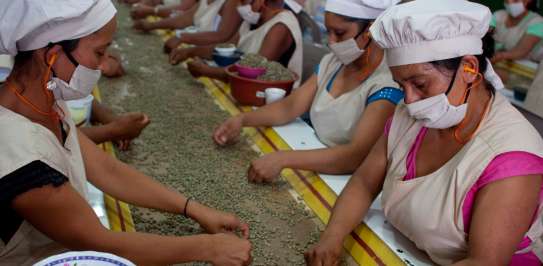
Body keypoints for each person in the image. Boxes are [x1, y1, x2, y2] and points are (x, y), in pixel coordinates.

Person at [0, 1, 251, 265]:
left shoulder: (45, 98)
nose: (104, 64)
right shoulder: (17, 150)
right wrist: (208, 248)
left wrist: (194, 209)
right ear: (51, 55)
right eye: (99, 53)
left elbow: (107, 170)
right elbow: (97, 242)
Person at [305, 0, 543, 265]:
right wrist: (332, 237)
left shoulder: (512, 155)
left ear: (469, 68)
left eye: (420, 84)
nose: (409, 100)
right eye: (401, 85)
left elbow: (484, 261)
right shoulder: (411, 115)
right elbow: (363, 182)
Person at [213, 0, 402, 183]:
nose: (331, 41)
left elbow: (354, 156)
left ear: (369, 31)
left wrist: (284, 159)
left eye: (339, 33)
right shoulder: (333, 62)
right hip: (313, 158)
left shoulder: (387, 84)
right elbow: (290, 106)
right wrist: (243, 120)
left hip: (343, 180)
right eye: (328, 32)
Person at [171, 0, 304, 86]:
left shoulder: (280, 27)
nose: (239, 6)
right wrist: (190, 51)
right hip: (240, 86)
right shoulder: (253, 18)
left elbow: (253, 73)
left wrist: (207, 71)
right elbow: (227, 48)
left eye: (243, 1)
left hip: (269, 98)